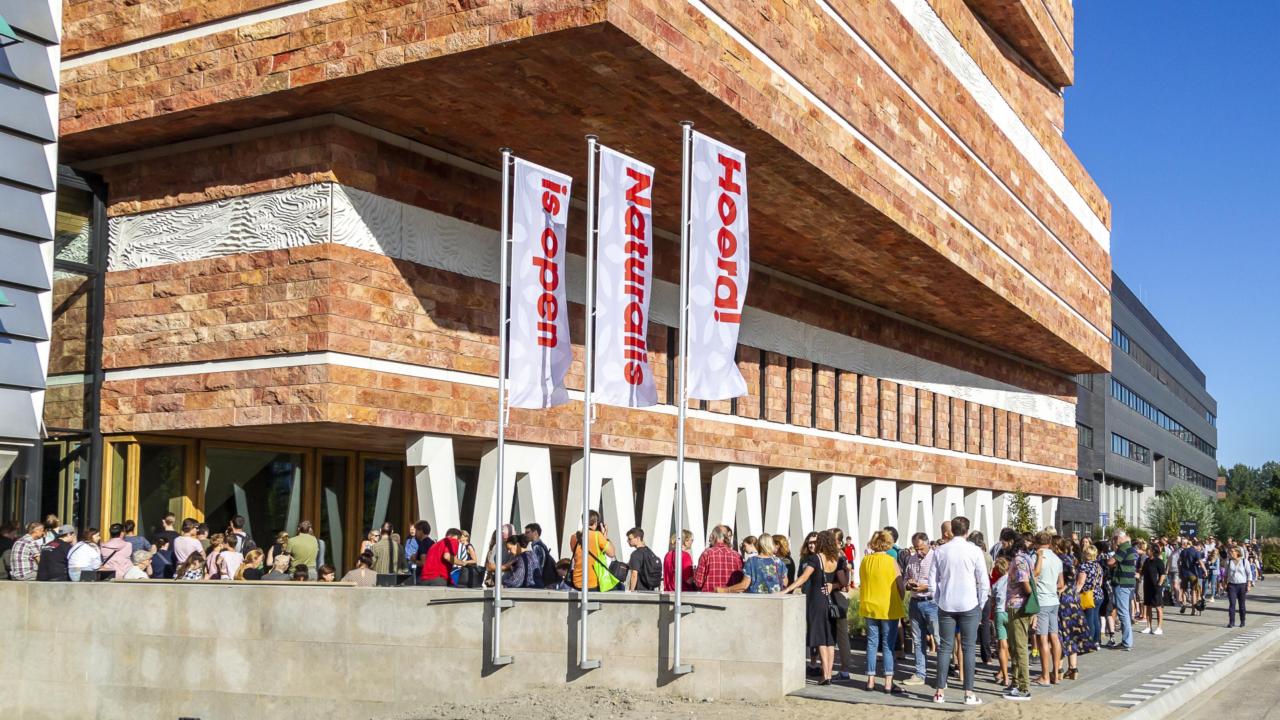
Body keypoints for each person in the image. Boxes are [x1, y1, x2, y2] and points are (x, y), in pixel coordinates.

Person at [928, 516, 988, 706]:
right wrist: (981, 603)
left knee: (945, 647)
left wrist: (938, 599)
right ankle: (968, 693)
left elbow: (932, 581)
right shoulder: (974, 550)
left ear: (951, 530)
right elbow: (983, 581)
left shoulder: (940, 550)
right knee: (968, 648)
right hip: (969, 603)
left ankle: (939, 692)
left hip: (947, 603)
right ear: (967, 531)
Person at [780, 529, 843, 686]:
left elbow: (803, 577)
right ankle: (829, 673)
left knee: (820, 638)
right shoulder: (835, 559)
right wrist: (833, 585)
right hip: (830, 600)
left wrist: (786, 590)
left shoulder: (816, 558)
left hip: (816, 600)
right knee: (830, 639)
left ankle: (825, 674)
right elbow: (843, 581)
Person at [856, 530, 907, 694]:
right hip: (888, 607)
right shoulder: (891, 561)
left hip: (870, 605)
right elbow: (900, 584)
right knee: (887, 645)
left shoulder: (865, 560)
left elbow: (862, 581)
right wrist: (901, 598)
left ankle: (870, 680)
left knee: (872, 643)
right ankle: (888, 682)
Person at [1056, 537, 1096, 679]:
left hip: (1063, 600)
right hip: (1073, 599)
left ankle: (1058, 669)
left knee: (1061, 634)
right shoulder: (1071, 559)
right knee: (1071, 634)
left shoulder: (1060, 560)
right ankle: (1073, 668)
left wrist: (1061, 589)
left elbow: (1068, 580)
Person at [902, 531, 939, 686]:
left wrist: (926, 586)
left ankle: (942, 675)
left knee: (938, 638)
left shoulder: (936, 557)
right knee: (917, 640)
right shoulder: (912, 558)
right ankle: (920, 673)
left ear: (927, 543)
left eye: (921, 548)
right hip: (915, 601)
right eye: (916, 549)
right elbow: (905, 579)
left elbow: (940, 581)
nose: (918, 552)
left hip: (931, 602)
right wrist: (909, 584)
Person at [1002, 533, 1035, 701]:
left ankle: (1024, 687)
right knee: (1015, 646)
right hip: (1017, 605)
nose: (1002, 545)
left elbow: (1025, 582)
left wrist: (1032, 599)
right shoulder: (1025, 557)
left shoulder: (1019, 560)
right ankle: (1015, 683)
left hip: (1018, 606)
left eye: (1003, 542)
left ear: (1010, 542)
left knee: (1020, 647)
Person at [1030, 532, 1064, 686]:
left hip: (1042, 600)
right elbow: (1061, 584)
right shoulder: (1057, 559)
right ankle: (1056, 673)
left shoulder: (1036, 557)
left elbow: (1033, 577)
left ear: (1036, 542)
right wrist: (1050, 586)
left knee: (1042, 638)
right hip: (1053, 600)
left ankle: (1044, 676)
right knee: (1054, 637)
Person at [720, 532, 786, 593]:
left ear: (758, 545)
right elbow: (785, 582)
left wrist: (725, 590)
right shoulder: (779, 561)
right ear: (771, 545)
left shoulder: (752, 561)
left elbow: (744, 585)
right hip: (776, 598)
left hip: (756, 599)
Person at [1107, 530, 1138, 651]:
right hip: (1129, 582)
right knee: (1125, 611)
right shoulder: (1130, 548)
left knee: (1123, 612)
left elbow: (1111, 562)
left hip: (1122, 582)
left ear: (1118, 538)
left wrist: (1114, 552)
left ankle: (1127, 642)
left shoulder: (1123, 548)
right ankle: (1126, 641)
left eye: (1114, 539)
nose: (1114, 542)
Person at [570, 511, 616, 591]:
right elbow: (612, 553)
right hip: (593, 582)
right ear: (595, 523)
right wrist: (605, 537)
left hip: (577, 582)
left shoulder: (574, 537)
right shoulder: (597, 535)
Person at [693, 525, 743, 592]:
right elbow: (740, 581)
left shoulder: (706, 554)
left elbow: (698, 582)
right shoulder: (737, 556)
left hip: (709, 595)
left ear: (714, 536)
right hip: (731, 595)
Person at [991, 556, 1011, 688]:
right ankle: (1007, 673)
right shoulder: (1013, 580)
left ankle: (1005, 676)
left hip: (999, 613)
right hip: (1011, 612)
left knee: (1002, 646)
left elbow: (992, 602)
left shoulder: (997, 584)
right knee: (1011, 645)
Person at [1079, 544, 1105, 644]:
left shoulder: (1084, 566)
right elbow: (1101, 582)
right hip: (1098, 594)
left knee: (1089, 618)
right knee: (1095, 618)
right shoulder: (1098, 566)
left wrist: (1075, 593)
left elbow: (1080, 583)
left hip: (1088, 594)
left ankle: (1090, 642)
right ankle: (1097, 641)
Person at [1140, 541, 1167, 635]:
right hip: (1147, 586)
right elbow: (1142, 572)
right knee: (1148, 606)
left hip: (1156, 587)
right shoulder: (1147, 561)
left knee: (1158, 607)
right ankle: (1148, 627)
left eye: (1148, 549)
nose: (1147, 550)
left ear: (1153, 551)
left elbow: (1163, 574)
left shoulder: (1159, 561)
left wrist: (1159, 585)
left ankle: (1159, 628)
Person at [625, 528, 662, 592]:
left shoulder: (636, 554)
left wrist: (631, 592)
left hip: (639, 592)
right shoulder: (649, 552)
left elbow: (634, 575)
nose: (627, 541)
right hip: (651, 590)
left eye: (630, 539)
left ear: (638, 538)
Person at [1224, 546, 1251, 628]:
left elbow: (1249, 573)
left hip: (1242, 585)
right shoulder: (1228, 562)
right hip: (1232, 585)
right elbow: (1225, 574)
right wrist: (1224, 583)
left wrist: (1249, 584)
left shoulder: (1244, 561)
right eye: (1230, 551)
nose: (1230, 553)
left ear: (1237, 552)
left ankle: (1242, 621)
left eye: (1232, 551)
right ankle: (1231, 622)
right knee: (1232, 604)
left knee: (1242, 605)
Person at [524, 523, 552, 588]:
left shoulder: (537, 547)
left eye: (527, 532)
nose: (525, 535)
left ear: (535, 532)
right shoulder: (540, 545)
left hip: (538, 582)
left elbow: (537, 567)